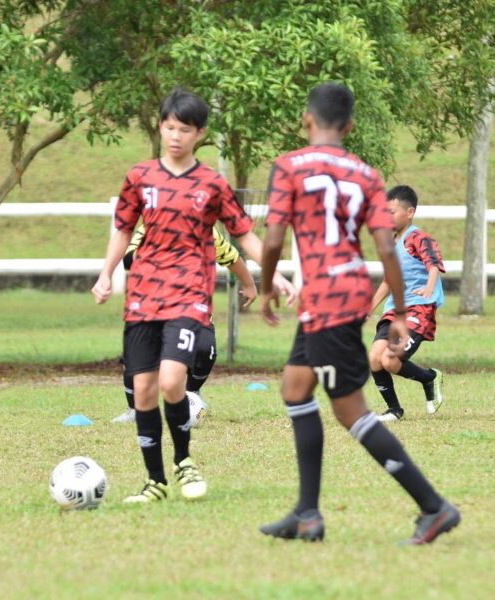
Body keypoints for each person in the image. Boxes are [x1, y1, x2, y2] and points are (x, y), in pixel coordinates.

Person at [259, 82, 460, 544]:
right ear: (349, 126)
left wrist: (267, 285)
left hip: (327, 299)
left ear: (307, 119)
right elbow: (387, 249)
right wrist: (401, 312)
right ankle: (306, 513)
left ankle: (433, 507)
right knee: (295, 387)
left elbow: (272, 240)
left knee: (351, 412)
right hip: (344, 294)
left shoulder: (288, 166)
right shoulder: (366, 175)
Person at [92, 87, 288, 503]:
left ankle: (183, 460)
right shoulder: (139, 178)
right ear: (160, 127)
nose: (175, 136)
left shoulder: (212, 184)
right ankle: (155, 481)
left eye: (184, 129)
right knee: (143, 390)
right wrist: (105, 274)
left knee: (170, 381)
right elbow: (123, 231)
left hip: (188, 296)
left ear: (199, 133)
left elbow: (243, 235)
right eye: (169, 127)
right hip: (143, 297)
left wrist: (273, 273)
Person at [112, 223, 297, 424]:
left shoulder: (206, 229)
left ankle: (192, 394)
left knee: (204, 349)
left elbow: (232, 257)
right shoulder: (151, 224)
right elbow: (128, 260)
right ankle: (134, 409)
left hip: (193, 309)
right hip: (152, 308)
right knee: (135, 353)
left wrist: (249, 283)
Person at [368, 185, 445, 422]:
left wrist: (429, 287)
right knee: (375, 359)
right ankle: (394, 410)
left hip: (419, 309)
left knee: (390, 360)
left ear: (409, 212)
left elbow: (433, 264)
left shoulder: (418, 237)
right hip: (394, 311)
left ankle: (429, 377)